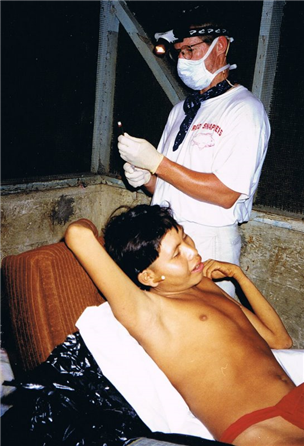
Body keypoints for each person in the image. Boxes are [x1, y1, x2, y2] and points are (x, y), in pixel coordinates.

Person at [65, 204, 304, 446]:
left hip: (296, 397)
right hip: (261, 426)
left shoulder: (203, 284)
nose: (193, 251)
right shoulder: (149, 312)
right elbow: (78, 234)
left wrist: (239, 276)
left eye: (185, 237)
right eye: (177, 253)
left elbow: (279, 340)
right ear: (150, 276)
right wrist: (103, 231)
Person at [117, 20, 271, 297]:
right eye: (180, 52)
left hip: (208, 240)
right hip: (166, 236)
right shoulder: (180, 110)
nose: (183, 60)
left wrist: (158, 164)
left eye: (190, 50)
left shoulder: (244, 110)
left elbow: (226, 194)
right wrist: (147, 179)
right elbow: (168, 186)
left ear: (220, 47)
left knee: (213, 321)